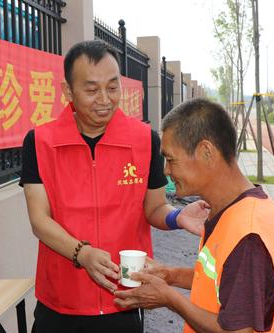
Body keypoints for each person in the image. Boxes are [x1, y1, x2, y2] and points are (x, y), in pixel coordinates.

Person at [20, 40, 209, 332]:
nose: (105, 99)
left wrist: (176, 217)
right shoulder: (40, 142)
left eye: (112, 87)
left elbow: (155, 207)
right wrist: (82, 253)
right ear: (68, 91)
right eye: (92, 90)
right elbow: (40, 220)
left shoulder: (144, 140)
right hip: (59, 303)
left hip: (123, 299)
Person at [114, 98, 274, 333]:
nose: (166, 170)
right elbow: (227, 282)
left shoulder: (248, 235)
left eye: (171, 159)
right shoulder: (242, 209)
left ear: (206, 152)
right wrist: (169, 275)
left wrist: (169, 299)